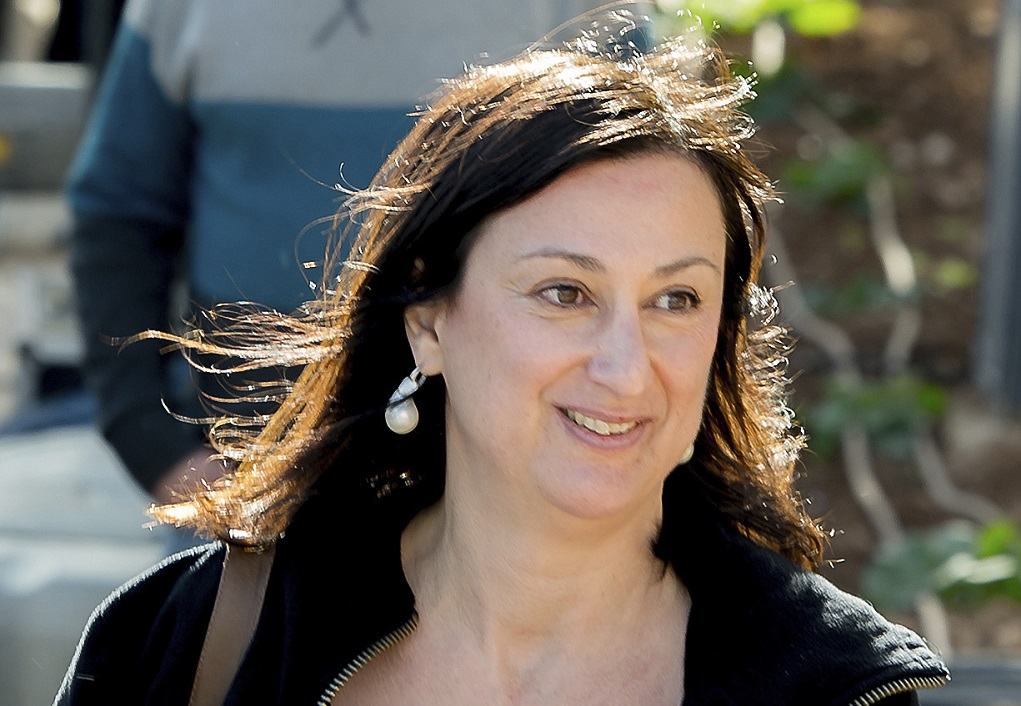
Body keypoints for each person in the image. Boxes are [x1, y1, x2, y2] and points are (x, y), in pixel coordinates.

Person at [56, 8, 949, 705]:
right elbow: (115, 210)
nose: (626, 367)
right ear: (426, 319)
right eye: (564, 292)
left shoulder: (832, 688)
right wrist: (150, 437)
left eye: (676, 299)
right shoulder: (191, 641)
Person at [68, 0, 598, 505]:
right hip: (241, 476)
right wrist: (151, 442)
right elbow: (119, 210)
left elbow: (635, 177)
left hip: (505, 488)